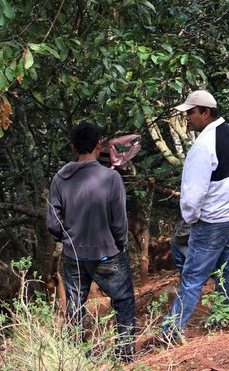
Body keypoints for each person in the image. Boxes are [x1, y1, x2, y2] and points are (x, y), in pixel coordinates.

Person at [47, 122, 135, 362]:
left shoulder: (60, 179)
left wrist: (67, 239)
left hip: (73, 255)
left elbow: (53, 223)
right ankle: (125, 357)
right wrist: (119, 244)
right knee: (123, 300)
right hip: (107, 252)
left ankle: (76, 357)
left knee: (75, 306)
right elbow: (119, 223)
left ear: (73, 148)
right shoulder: (111, 178)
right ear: (99, 145)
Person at [162, 90, 229, 343]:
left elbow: (192, 195)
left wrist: (192, 218)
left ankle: (172, 332)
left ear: (205, 113)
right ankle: (224, 316)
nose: (187, 117)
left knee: (193, 276)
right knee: (225, 267)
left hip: (211, 220)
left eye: (191, 112)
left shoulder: (202, 146)